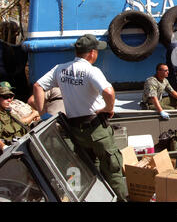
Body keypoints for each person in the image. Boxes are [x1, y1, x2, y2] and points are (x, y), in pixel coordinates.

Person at [32, 34, 127, 201]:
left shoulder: (60, 69)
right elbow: (109, 92)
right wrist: (108, 108)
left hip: (76, 132)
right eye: (96, 50)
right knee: (113, 169)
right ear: (91, 53)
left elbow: (38, 86)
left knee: (89, 170)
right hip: (97, 130)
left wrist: (42, 114)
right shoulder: (91, 71)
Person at [0, 84, 38, 153]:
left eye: (11, 96)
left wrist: (34, 116)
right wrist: (4, 147)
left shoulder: (8, 112)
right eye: (5, 97)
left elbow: (22, 123)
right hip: (13, 151)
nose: (9, 100)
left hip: (25, 143)